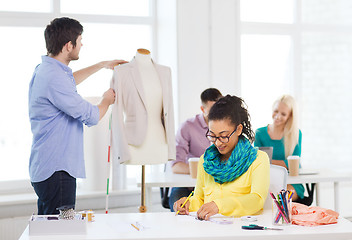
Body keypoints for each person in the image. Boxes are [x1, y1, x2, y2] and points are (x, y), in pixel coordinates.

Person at [28, 17, 127, 215]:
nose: (82, 44)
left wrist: (101, 65)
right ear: (68, 45)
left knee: (47, 229)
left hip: (48, 168)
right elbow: (91, 116)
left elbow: (69, 80)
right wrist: (106, 100)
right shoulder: (54, 78)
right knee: (61, 231)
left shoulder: (47, 70)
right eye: (79, 40)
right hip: (58, 171)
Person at [173, 95, 270, 219]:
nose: (218, 143)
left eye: (223, 136)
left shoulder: (258, 159)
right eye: (212, 136)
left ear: (239, 129)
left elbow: (256, 200)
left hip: (242, 230)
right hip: (211, 229)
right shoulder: (206, 160)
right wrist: (187, 203)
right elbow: (199, 198)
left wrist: (219, 206)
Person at [168, 88, 222, 211]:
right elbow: (176, 165)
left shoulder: (227, 128)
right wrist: (205, 171)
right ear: (203, 109)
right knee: (180, 209)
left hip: (215, 186)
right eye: (213, 109)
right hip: (187, 187)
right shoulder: (187, 127)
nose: (217, 113)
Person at [254, 94, 304, 201]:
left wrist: (268, 161)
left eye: (283, 114)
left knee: (281, 196)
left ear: (290, 116)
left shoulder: (295, 134)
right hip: (267, 180)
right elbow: (257, 161)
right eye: (276, 111)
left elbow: (295, 163)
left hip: (291, 183)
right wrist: (283, 163)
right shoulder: (260, 133)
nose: (278, 116)